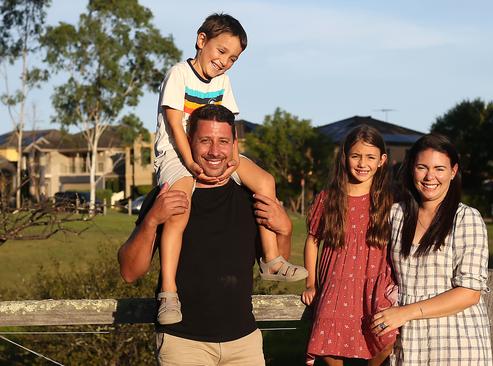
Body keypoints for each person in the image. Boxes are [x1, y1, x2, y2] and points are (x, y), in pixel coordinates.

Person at [153, 13, 306, 325]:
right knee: (179, 208)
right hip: (177, 151)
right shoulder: (179, 74)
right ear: (201, 41)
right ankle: (169, 292)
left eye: (233, 58)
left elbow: (231, 124)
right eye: (221, 52)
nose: (224, 62)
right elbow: (174, 124)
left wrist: (234, 159)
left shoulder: (222, 82)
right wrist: (192, 164)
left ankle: (271, 259)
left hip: (215, 150)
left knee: (265, 181)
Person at [119, 104, 293, 365]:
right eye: (205, 141)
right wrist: (151, 221)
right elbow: (130, 272)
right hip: (183, 344)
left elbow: (272, 268)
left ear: (234, 144)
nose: (214, 151)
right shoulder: (168, 194)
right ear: (189, 141)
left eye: (223, 141)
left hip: (244, 343)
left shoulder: (250, 196)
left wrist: (285, 230)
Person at [371, 133, 492, 365]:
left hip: (456, 341)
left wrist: (406, 312)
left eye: (439, 169)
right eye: (422, 167)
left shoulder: (466, 218)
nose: (430, 177)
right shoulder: (396, 215)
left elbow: (469, 293)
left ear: (453, 172)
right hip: (408, 341)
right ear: (411, 169)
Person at [302, 125, 397, 366]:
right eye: (356, 156)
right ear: (344, 157)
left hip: (375, 280)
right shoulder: (329, 197)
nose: (362, 163)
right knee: (327, 343)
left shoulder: (391, 200)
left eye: (370, 157)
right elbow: (313, 241)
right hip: (336, 281)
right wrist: (311, 283)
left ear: (382, 160)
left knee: (384, 340)